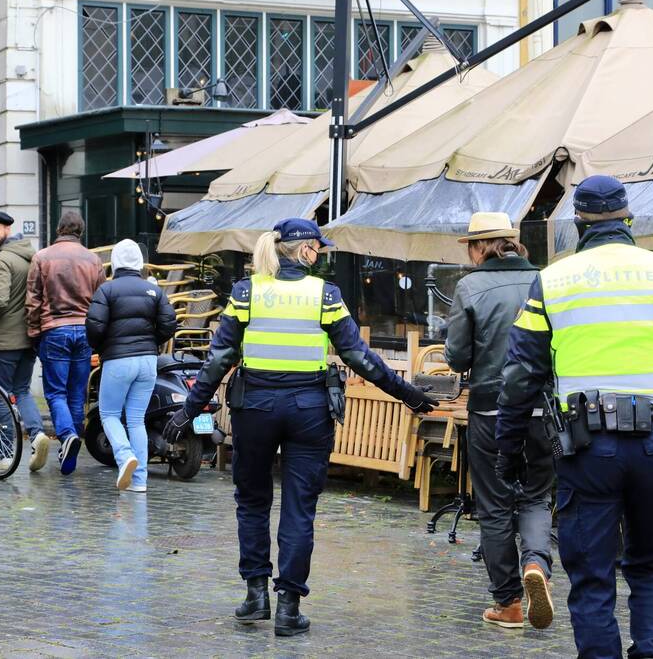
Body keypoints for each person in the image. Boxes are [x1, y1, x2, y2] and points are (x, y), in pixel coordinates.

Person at [162, 218, 435, 637]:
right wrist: (407, 394)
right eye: (317, 248)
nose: (319, 255)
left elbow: (219, 359)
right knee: (299, 508)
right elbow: (358, 356)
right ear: (305, 249)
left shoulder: (247, 292)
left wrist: (188, 410)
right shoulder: (325, 295)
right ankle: (289, 608)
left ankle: (256, 595)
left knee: (252, 502)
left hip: (255, 407)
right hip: (309, 409)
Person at [496, 175, 653, 659]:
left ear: (578, 223)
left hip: (587, 450)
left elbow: (519, 376)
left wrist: (509, 448)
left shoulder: (553, 281)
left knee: (592, 577)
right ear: (628, 219)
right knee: (652, 568)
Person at [443, 212, 554, 630]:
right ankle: (536, 564)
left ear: (479, 247)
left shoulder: (470, 287)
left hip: (491, 409)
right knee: (536, 497)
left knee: (494, 506)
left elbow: (457, 357)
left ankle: (508, 603)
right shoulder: (544, 281)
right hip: (542, 408)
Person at [85, 239, 177, 492]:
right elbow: (170, 323)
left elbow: (94, 327)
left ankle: (125, 455)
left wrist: (102, 347)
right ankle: (139, 481)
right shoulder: (154, 291)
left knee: (109, 414)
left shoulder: (106, 290)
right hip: (148, 361)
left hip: (117, 360)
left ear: (114, 262)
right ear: (139, 262)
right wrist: (152, 342)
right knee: (136, 420)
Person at [26, 211, 106, 475]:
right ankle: (70, 444)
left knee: (55, 393)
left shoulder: (42, 257)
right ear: (80, 231)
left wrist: (33, 332)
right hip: (84, 330)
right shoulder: (93, 260)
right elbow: (101, 300)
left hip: (54, 330)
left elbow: (33, 300)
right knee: (76, 393)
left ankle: (67, 435)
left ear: (59, 229)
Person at [0, 211, 44, 470]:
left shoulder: (4, 259)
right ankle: (37, 435)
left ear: (8, 229)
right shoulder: (30, 256)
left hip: (5, 340)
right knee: (22, 391)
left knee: (1, 395)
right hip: (29, 338)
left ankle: (5, 454)